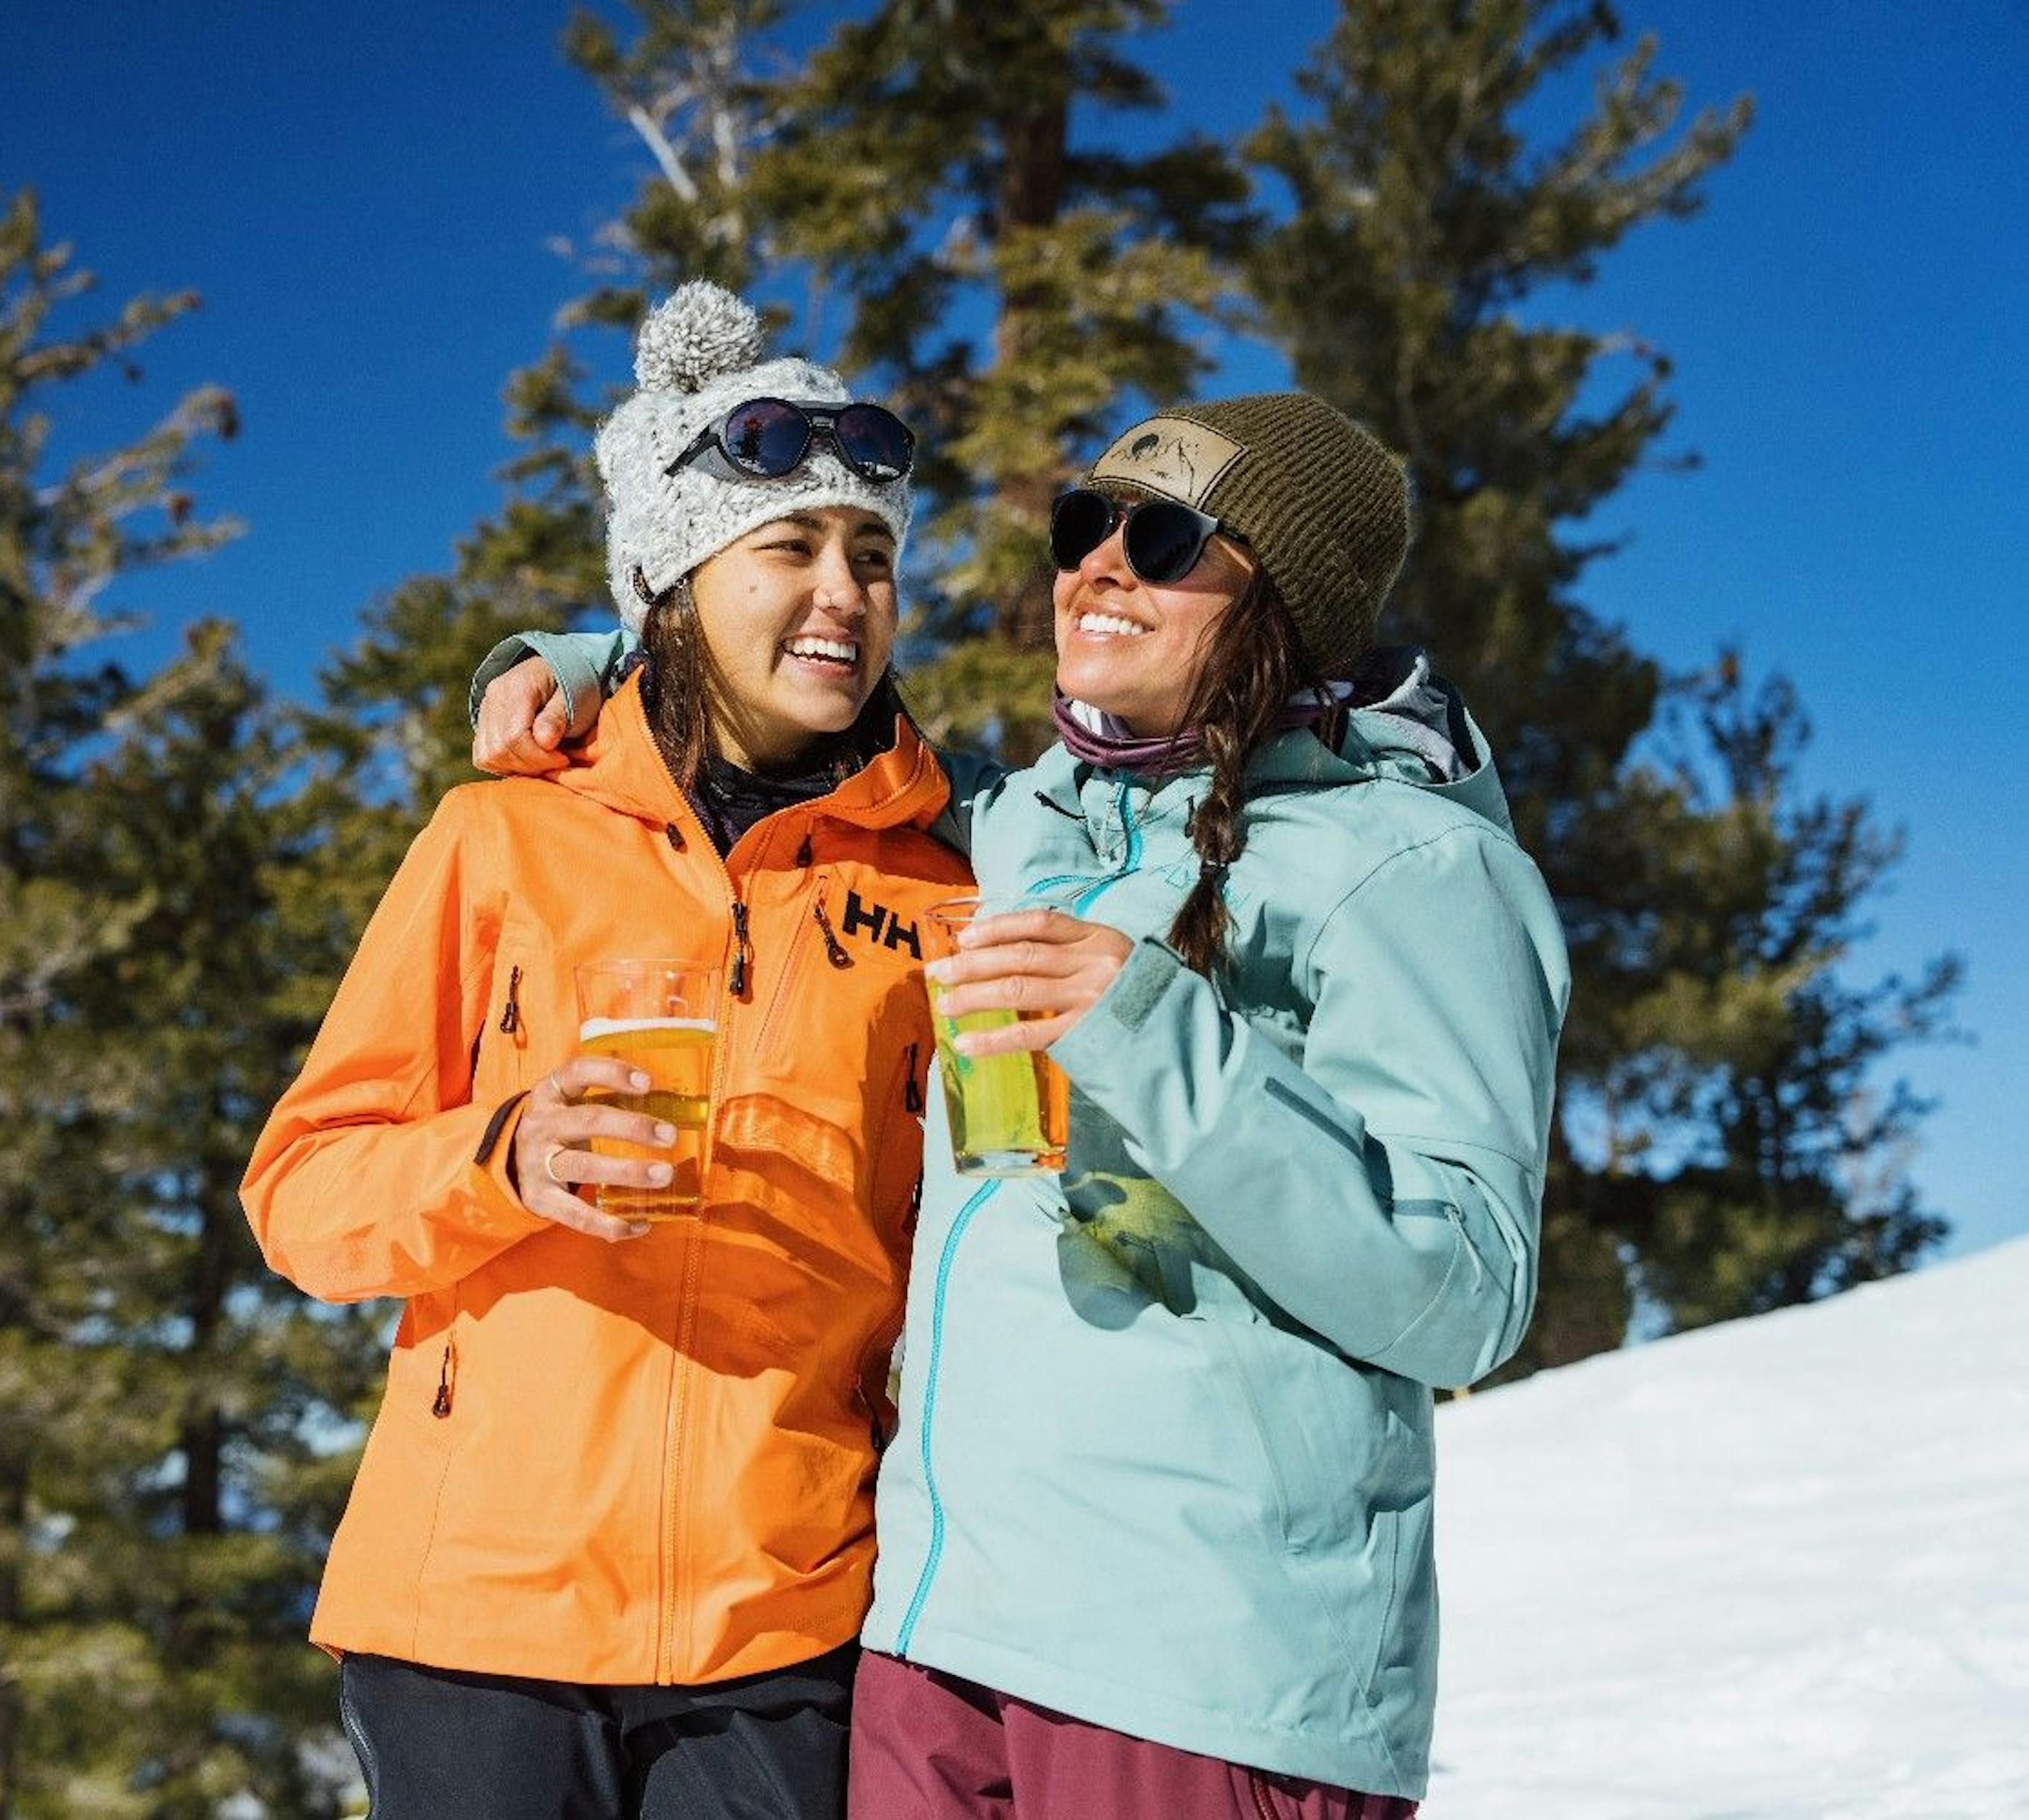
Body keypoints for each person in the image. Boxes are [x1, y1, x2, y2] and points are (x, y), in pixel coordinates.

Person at [471, 392, 1570, 1816]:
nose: (1098, 567)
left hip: (1203, 1666)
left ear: (1288, 602)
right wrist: (588, 658)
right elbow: (805, 694)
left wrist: (1151, 1029)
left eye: (1166, 538)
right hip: (942, 1644)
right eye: (1082, 525)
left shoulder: (1408, 868)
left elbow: (1464, 1291)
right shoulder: (1018, 825)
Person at [242, 280, 973, 1820]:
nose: (843, 590)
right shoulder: (500, 835)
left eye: (874, 553)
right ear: (673, 580)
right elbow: (303, 1190)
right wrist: (501, 1155)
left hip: (780, 1620)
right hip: (475, 1620)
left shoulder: (940, 889)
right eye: (789, 547)